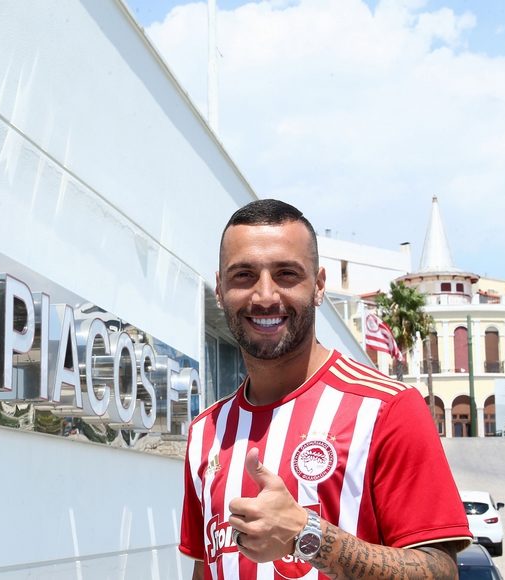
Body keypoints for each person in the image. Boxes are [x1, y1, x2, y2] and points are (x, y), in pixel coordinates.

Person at [179, 199, 471, 579]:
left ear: (318, 286)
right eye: (244, 275)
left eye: (286, 274)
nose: (265, 296)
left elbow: (441, 571)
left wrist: (307, 534)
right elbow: (206, 568)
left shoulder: (387, 409)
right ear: (220, 289)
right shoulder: (206, 432)